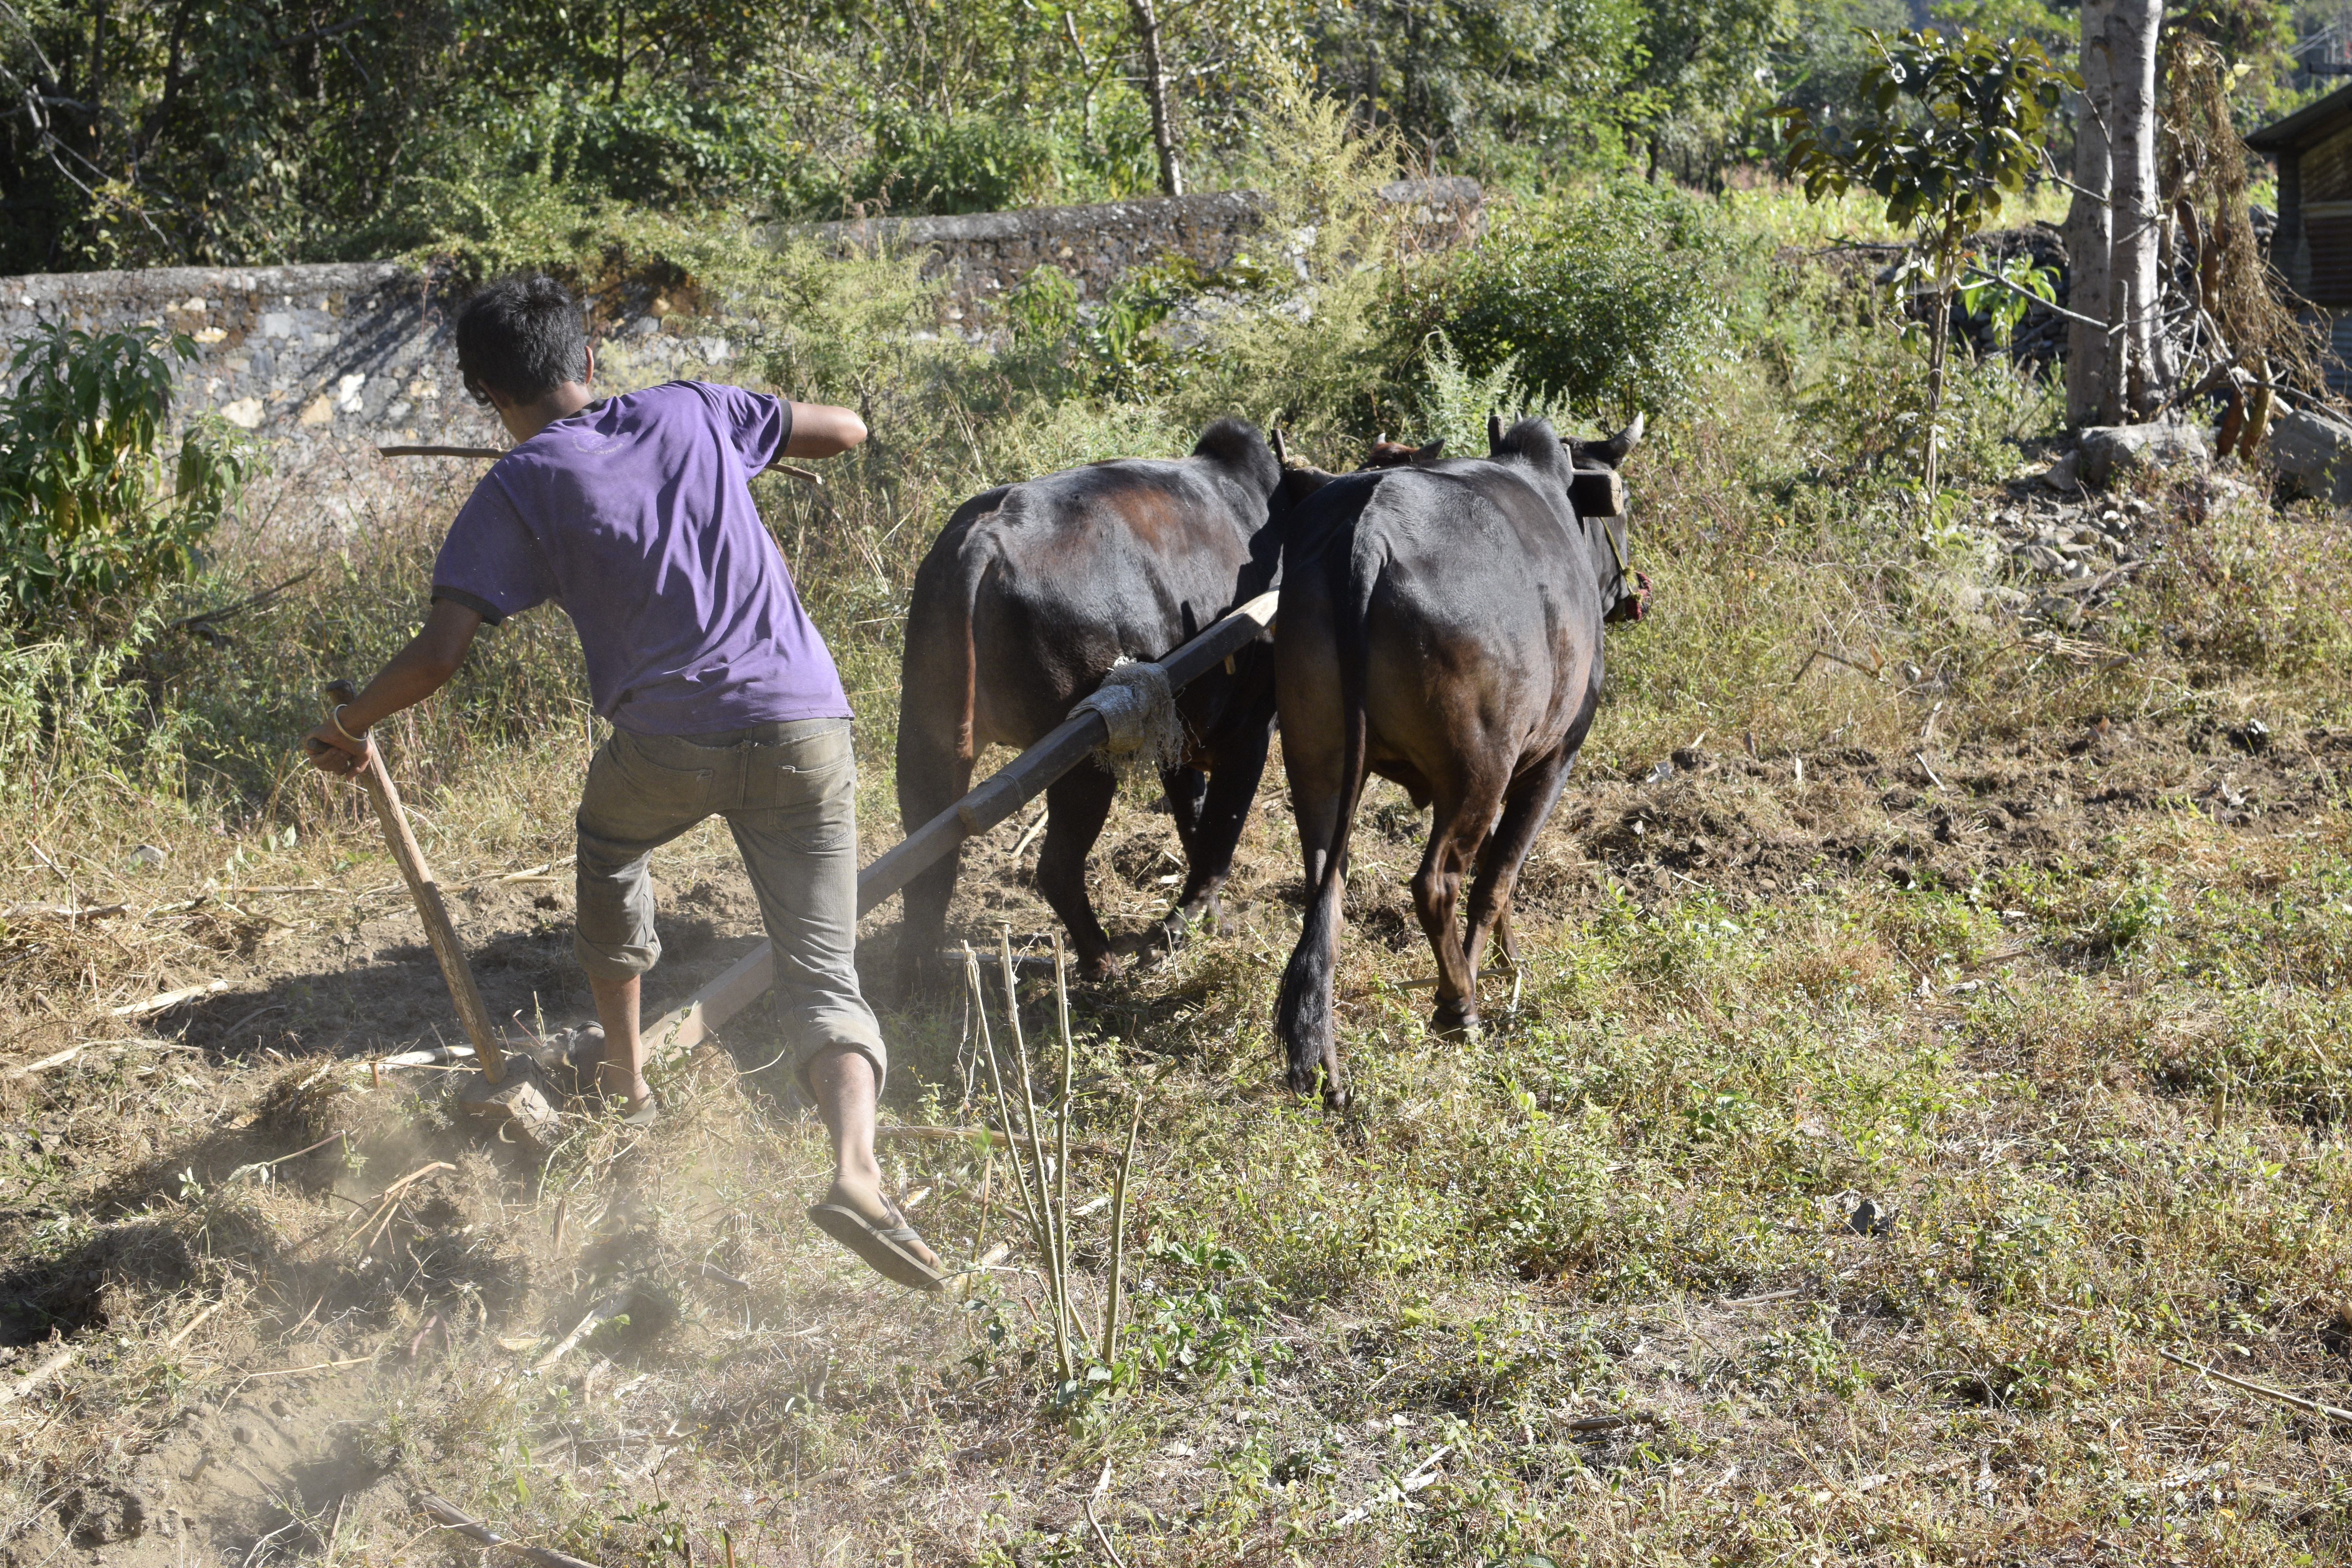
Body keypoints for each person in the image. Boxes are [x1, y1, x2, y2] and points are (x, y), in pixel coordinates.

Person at [303, 274, 941, 1290]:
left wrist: (347, 726)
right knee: (825, 975)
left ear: (481, 391)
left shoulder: (514, 488)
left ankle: (629, 1081)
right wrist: (750, 443)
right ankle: (857, 1175)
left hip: (668, 742)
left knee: (608, 851)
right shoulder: (693, 407)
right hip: (806, 725)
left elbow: (439, 654)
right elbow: (849, 429)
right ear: (588, 363)